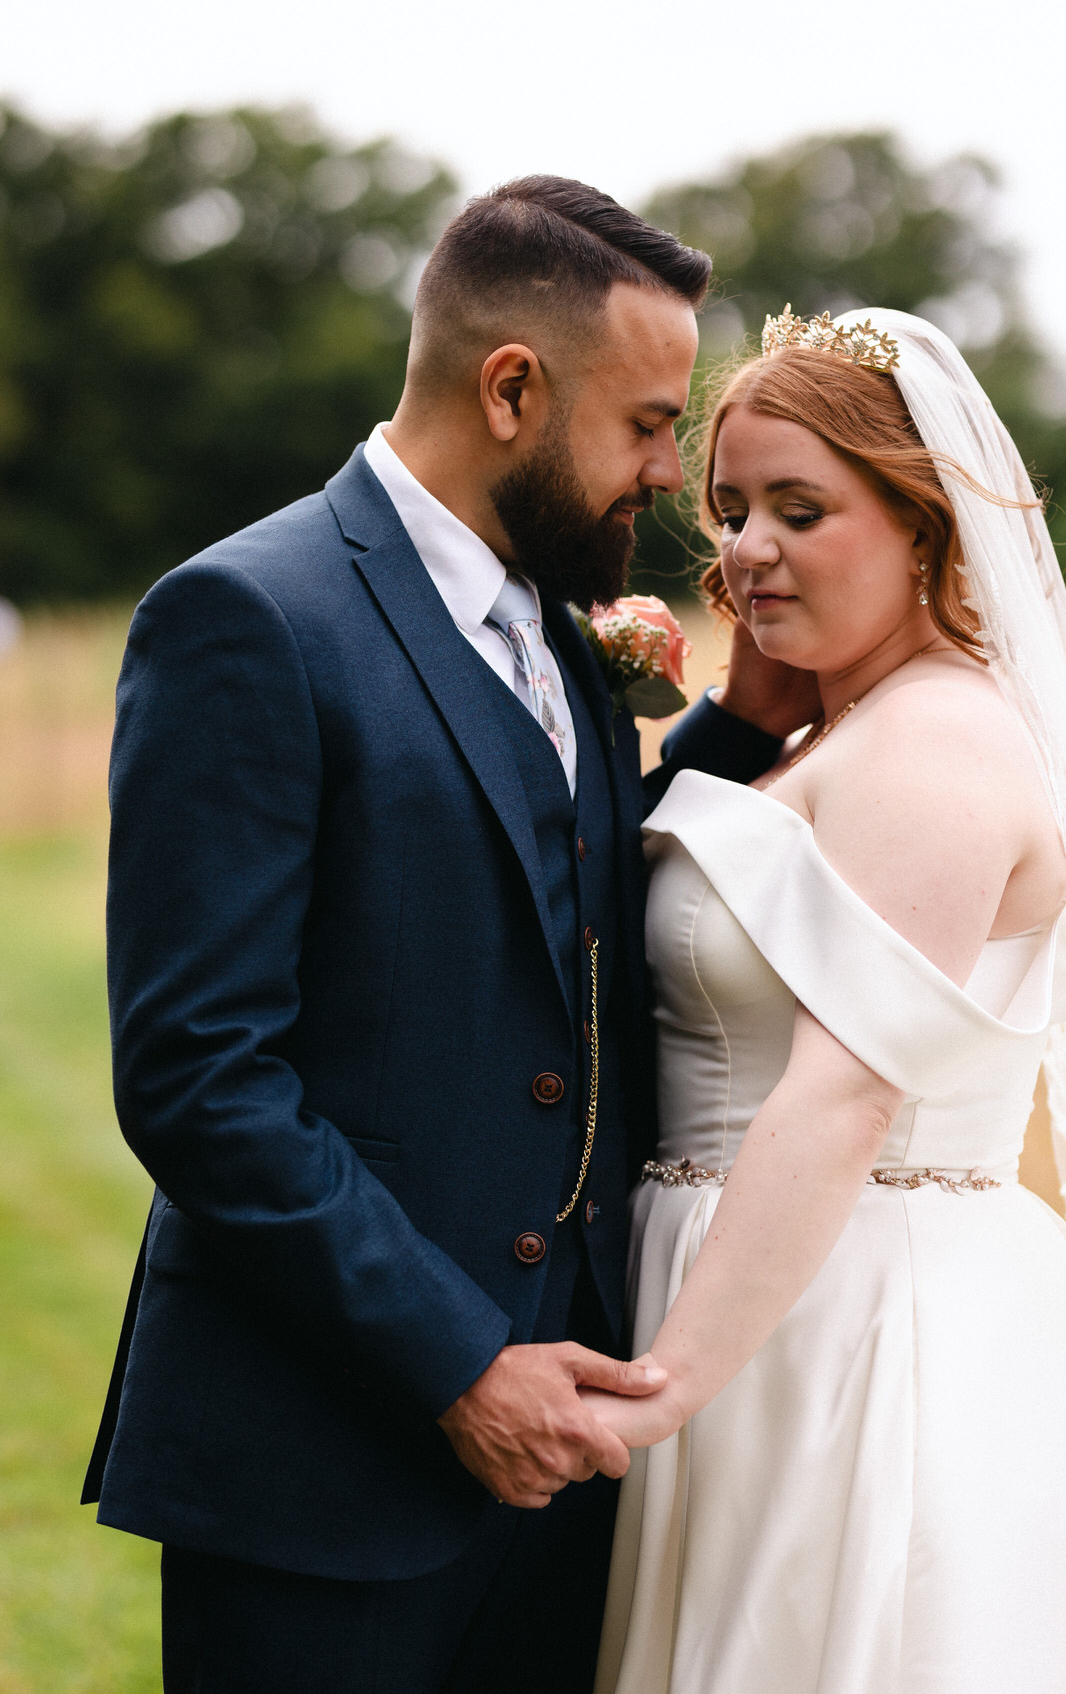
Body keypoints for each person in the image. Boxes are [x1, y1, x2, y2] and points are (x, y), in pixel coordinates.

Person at [81, 177, 804, 1693]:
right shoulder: (249, 618)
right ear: (512, 388)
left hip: (570, 1474)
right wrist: (461, 1367)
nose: (668, 474)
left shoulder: (563, 622)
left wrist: (735, 736)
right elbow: (201, 1078)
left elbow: (563, 902)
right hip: (321, 1463)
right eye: (646, 423)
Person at [588, 309, 1066, 1693]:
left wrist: (669, 1383)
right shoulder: (836, 731)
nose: (746, 550)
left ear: (921, 525)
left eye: (802, 511)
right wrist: (742, 721)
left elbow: (846, 1088)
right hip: (767, 1291)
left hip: (853, 1324)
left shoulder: (938, 744)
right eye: (733, 509)